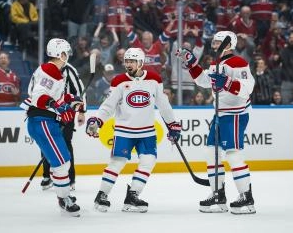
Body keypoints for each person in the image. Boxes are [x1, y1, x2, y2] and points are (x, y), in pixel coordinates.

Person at [85, 47, 181, 213]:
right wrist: (97, 120)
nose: (128, 64)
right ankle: (101, 195)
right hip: (124, 131)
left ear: (141, 62)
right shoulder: (119, 81)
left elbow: (163, 104)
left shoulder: (154, 79)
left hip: (147, 132)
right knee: (117, 163)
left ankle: (132, 196)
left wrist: (172, 124)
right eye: (127, 61)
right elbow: (108, 106)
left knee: (148, 162)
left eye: (132, 61)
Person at [177, 31, 256, 214]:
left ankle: (247, 198)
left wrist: (227, 83)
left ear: (229, 44)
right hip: (220, 114)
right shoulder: (216, 63)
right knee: (211, 152)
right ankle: (218, 195)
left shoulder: (238, 63)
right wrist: (192, 64)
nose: (214, 44)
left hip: (235, 114)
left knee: (233, 154)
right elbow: (205, 81)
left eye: (218, 41)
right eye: (214, 41)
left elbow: (248, 88)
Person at [22, 38, 82, 217]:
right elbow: (39, 97)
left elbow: (54, 97)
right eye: (66, 53)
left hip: (47, 121)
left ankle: (63, 196)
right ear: (59, 53)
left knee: (63, 161)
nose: (67, 56)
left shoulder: (56, 72)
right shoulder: (50, 70)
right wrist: (60, 107)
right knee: (62, 163)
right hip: (42, 121)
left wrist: (70, 100)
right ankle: (64, 199)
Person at [40, 61, 87, 191]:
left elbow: (79, 90)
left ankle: (70, 178)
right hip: (48, 110)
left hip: (66, 110)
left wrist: (82, 111)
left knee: (65, 143)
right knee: (46, 141)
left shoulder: (69, 69)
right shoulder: (44, 69)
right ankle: (47, 176)